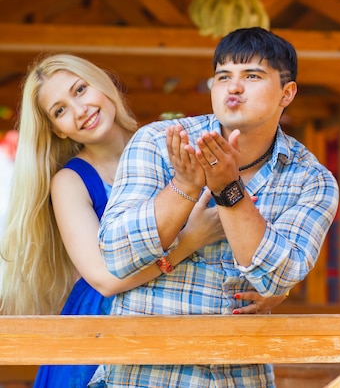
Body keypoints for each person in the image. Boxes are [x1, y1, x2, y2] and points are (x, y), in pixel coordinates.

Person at [94, 27, 340, 388]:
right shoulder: (159, 142)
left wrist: (228, 190)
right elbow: (116, 255)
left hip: (238, 377)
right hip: (141, 375)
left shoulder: (311, 179)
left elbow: (279, 278)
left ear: (287, 93)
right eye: (223, 76)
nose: (233, 88)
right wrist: (185, 185)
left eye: (252, 76)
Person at [0, 53, 247, 388]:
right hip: (102, 326)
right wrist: (187, 243)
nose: (79, 110)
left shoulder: (171, 145)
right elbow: (105, 279)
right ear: (56, 130)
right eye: (60, 111)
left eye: (80, 90)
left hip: (187, 310)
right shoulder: (70, 182)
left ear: (103, 85)